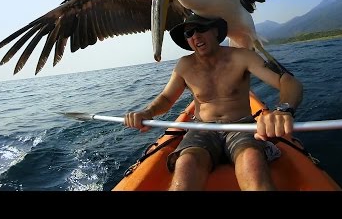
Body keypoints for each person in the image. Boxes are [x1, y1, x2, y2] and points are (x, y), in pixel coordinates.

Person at [124, 14, 303, 190]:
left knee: (251, 160)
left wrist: (283, 109)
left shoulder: (243, 57)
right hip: (203, 129)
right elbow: (166, 98)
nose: (195, 36)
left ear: (216, 31)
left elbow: (287, 81)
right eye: (189, 33)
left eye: (201, 28)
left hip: (240, 128)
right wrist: (147, 112)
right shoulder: (184, 65)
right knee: (186, 163)